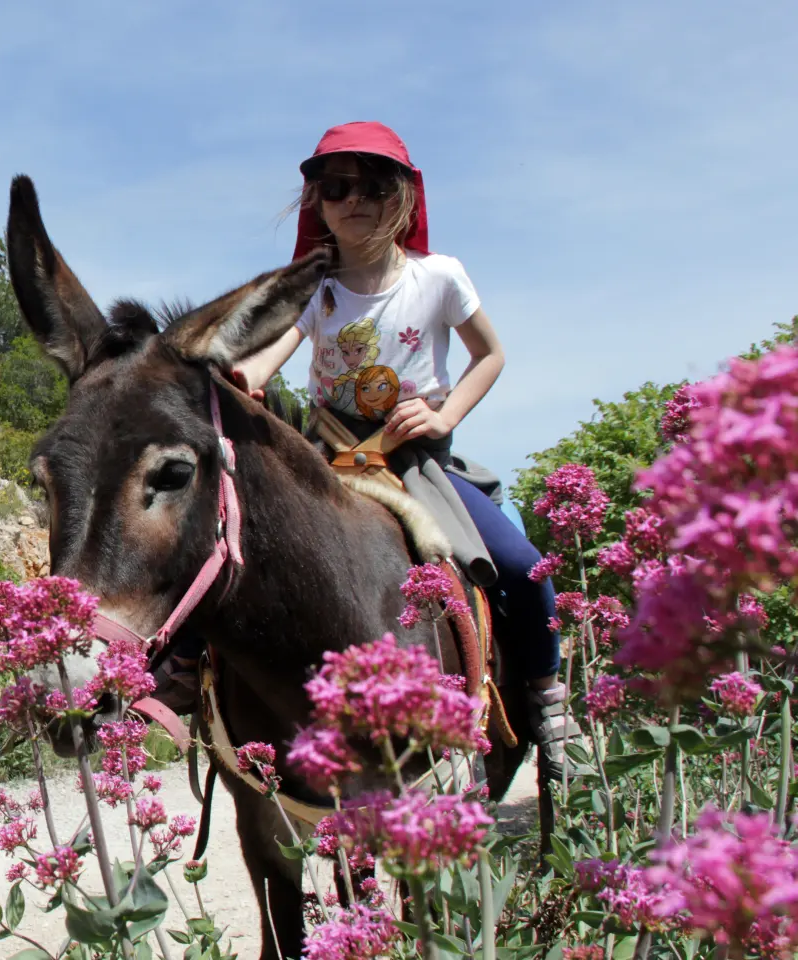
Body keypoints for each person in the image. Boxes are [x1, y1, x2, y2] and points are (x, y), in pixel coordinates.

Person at [229, 121, 570, 779]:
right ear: (318, 202)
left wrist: (444, 413)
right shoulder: (315, 285)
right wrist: (247, 376)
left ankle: (546, 695)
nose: (353, 199)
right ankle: (188, 690)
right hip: (329, 457)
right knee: (237, 557)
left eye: (374, 184)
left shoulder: (439, 276)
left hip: (416, 462)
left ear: (404, 196)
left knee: (522, 564)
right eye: (335, 186)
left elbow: (489, 356)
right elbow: (271, 355)